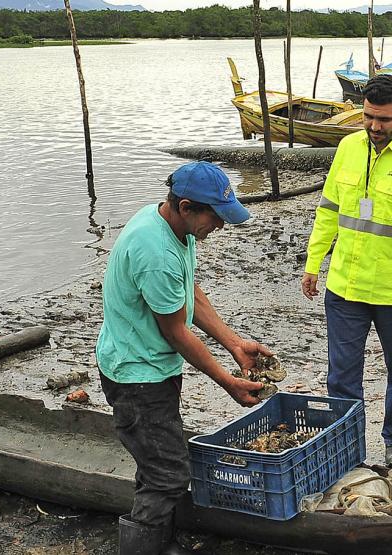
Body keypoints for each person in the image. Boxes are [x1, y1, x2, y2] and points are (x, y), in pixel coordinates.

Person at [96, 161, 270, 555]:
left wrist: (234, 343)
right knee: (169, 475)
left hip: (151, 366)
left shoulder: (174, 227)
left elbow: (187, 290)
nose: (220, 226)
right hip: (136, 375)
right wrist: (227, 381)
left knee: (158, 461)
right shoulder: (154, 250)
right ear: (187, 206)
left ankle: (162, 540)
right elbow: (175, 331)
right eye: (216, 217)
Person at [301, 74, 392, 467]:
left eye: (383, 120)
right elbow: (329, 211)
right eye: (368, 117)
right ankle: (345, 448)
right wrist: (313, 264)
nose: (374, 127)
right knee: (341, 375)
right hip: (345, 287)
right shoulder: (348, 148)